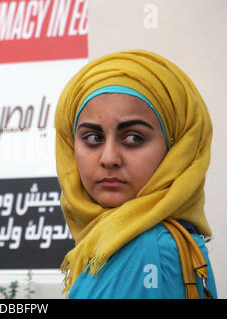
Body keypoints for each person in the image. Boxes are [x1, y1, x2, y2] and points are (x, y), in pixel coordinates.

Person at [54, 49, 217, 298]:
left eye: (133, 138)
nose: (109, 158)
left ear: (175, 150)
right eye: (93, 138)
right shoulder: (114, 239)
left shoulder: (142, 246)